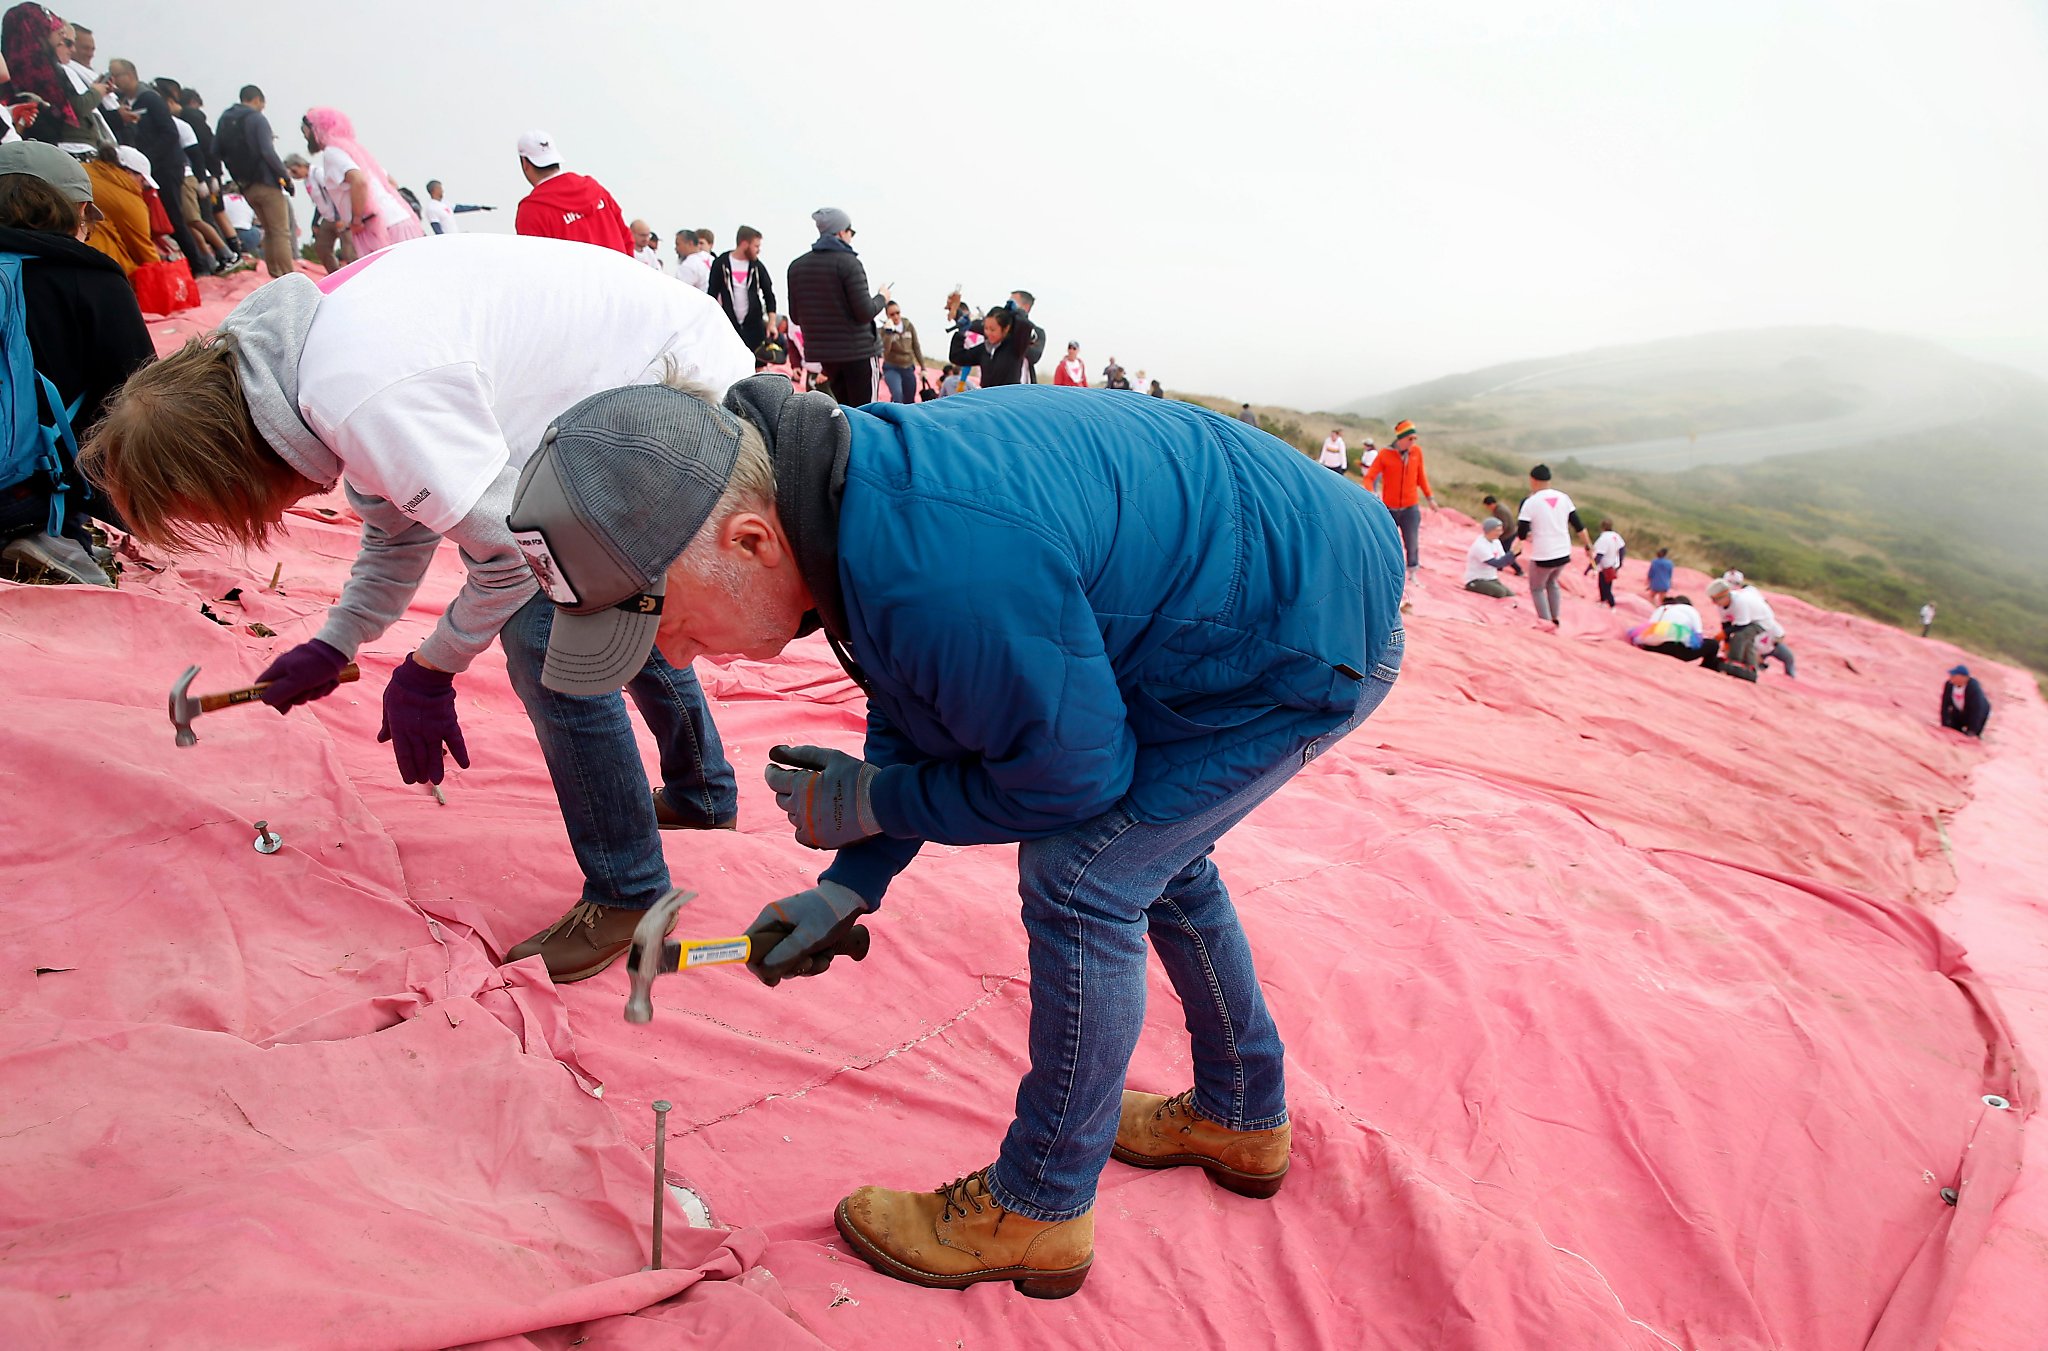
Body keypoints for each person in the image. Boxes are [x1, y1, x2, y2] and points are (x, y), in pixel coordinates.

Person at [502, 376, 1406, 1298]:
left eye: (660, 621)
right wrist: (848, 885)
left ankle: (1041, 1207)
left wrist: (882, 803)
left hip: (1309, 626)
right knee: (1156, 855)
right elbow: (918, 698)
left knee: (1086, 869)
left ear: (750, 539)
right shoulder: (850, 501)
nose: (680, 660)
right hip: (1246, 585)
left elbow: (1068, 780)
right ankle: (1241, 1113)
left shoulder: (946, 563)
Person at [79, 234, 755, 979]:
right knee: (614, 596)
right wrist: (336, 644)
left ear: (235, 467)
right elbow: (395, 536)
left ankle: (630, 895)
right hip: (625, 371)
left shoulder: (363, 393)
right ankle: (702, 791)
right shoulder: (298, 365)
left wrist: (432, 668)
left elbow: (517, 559)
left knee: (550, 632)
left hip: (673, 384)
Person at [0, 141, 152, 583]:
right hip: (23, 495)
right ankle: (49, 532)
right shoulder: (93, 278)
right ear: (78, 210)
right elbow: (136, 391)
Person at [106, 57, 212, 275]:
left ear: (131, 74)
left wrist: (147, 159)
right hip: (145, 169)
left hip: (166, 167)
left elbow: (170, 133)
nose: (114, 80)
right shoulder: (124, 103)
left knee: (174, 217)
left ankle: (199, 266)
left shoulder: (151, 99)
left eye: (117, 75)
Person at [786, 207, 886, 406]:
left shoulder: (797, 267)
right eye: (851, 231)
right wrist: (882, 297)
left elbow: (796, 317)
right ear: (841, 232)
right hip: (859, 352)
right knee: (869, 412)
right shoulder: (849, 263)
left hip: (826, 355)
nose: (851, 237)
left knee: (846, 411)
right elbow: (865, 312)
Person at [296, 107, 422, 258]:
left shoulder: (332, 152)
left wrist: (356, 220)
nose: (305, 136)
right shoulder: (354, 149)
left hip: (378, 228)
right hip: (400, 220)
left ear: (316, 129)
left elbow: (359, 181)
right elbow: (390, 181)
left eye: (306, 132)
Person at [214, 85, 296, 280]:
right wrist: (285, 177)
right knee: (280, 232)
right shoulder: (256, 119)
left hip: (246, 186)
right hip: (266, 182)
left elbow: (216, 151)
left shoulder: (225, 120)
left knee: (268, 231)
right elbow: (267, 151)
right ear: (257, 100)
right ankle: (289, 277)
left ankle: (275, 275)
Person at [512, 129, 630, 254]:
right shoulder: (596, 189)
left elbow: (534, 262)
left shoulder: (532, 211)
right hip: (619, 272)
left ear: (525, 163)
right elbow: (626, 238)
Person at [1516, 464, 1594, 628]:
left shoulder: (1531, 502)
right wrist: (1588, 546)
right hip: (1564, 552)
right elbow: (1579, 526)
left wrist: (1519, 544)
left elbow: (1522, 531)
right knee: (1552, 582)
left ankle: (1545, 622)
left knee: (1536, 588)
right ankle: (1555, 617)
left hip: (1544, 554)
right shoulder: (1564, 498)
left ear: (1533, 480)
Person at [1361, 421, 1438, 582]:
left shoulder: (1416, 452)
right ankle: (1383, 572)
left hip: (1411, 507)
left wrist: (1430, 498)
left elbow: (1421, 477)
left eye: (1415, 439)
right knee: (1385, 541)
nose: (1413, 442)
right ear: (1401, 438)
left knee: (1412, 540)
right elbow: (1369, 477)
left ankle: (1413, 573)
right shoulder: (1384, 454)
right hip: (1390, 508)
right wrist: (1371, 493)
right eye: (1410, 438)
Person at [79, 144, 152, 274]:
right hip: (101, 266)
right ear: (128, 173)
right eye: (143, 182)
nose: (143, 188)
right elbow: (143, 250)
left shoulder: (81, 170)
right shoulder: (130, 202)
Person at [1706, 576, 1790, 680]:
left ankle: (1734, 663)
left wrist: (1722, 635)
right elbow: (1726, 624)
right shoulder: (1721, 606)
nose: (1714, 603)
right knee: (1748, 642)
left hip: (1762, 620)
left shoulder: (1740, 602)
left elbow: (1741, 625)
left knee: (1740, 637)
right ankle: (1751, 668)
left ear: (1725, 595)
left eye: (1715, 600)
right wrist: (1726, 642)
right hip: (1750, 619)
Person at [708, 225, 775, 350]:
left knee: (756, 363)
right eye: (756, 246)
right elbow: (712, 294)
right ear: (744, 244)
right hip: (728, 324)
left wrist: (771, 324)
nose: (758, 250)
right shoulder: (721, 263)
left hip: (754, 325)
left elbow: (769, 295)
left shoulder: (757, 266)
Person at [948, 299, 1034, 388]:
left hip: (1008, 397)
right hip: (987, 397)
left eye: (992, 330)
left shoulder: (1015, 347)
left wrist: (1017, 313)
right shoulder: (985, 348)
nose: (988, 333)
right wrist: (960, 334)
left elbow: (1025, 327)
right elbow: (957, 357)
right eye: (986, 328)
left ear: (1006, 329)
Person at [1628, 595, 1720, 669]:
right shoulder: (1690, 610)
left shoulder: (1661, 608)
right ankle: (1707, 666)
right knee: (1713, 644)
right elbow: (1698, 638)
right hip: (1672, 650)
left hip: (1649, 647)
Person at [876, 300, 924, 406]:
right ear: (887, 316)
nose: (896, 316)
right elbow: (885, 351)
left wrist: (923, 367)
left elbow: (916, 346)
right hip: (892, 367)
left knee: (910, 397)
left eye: (897, 313)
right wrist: (888, 333)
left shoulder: (908, 325)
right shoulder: (884, 330)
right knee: (897, 395)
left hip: (908, 366)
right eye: (892, 314)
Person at [1463, 518, 1515, 597]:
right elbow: (1496, 563)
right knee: (1500, 593)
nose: (1500, 533)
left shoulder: (1496, 542)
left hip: (1491, 578)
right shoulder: (1480, 545)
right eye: (1497, 530)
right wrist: (1512, 553)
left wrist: (1515, 554)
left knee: (1510, 594)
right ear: (1489, 530)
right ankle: (1472, 587)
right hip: (1477, 580)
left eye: (1501, 530)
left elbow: (1504, 560)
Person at [1940, 665, 1990, 738]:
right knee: (1952, 729)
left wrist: (1972, 730)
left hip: (1979, 713)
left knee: (1972, 735)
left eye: (1954, 675)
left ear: (1964, 677)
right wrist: (1944, 724)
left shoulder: (1973, 688)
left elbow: (1978, 710)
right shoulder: (1949, 685)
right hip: (1959, 711)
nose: (1951, 677)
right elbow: (1944, 705)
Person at [1478, 493, 1521, 575]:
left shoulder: (1500, 510)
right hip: (1507, 532)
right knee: (1500, 551)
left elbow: (1505, 524)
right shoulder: (1499, 508)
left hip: (1509, 533)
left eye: (1487, 506)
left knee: (1504, 552)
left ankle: (1518, 569)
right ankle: (1499, 567)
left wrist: (1497, 535)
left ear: (1491, 504)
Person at [1007, 289, 1045, 382]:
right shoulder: (1002, 328)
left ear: (1026, 307)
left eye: (1013, 303)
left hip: (1022, 386)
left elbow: (1034, 356)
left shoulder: (1036, 332)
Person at [1591, 519, 1625, 607]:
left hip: (1605, 565)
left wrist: (1591, 566)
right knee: (1606, 585)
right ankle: (1604, 601)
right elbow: (1622, 549)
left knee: (1604, 586)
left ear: (1602, 527)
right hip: (1613, 564)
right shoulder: (1616, 536)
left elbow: (1600, 555)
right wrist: (1620, 562)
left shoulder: (1603, 538)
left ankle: (1611, 603)